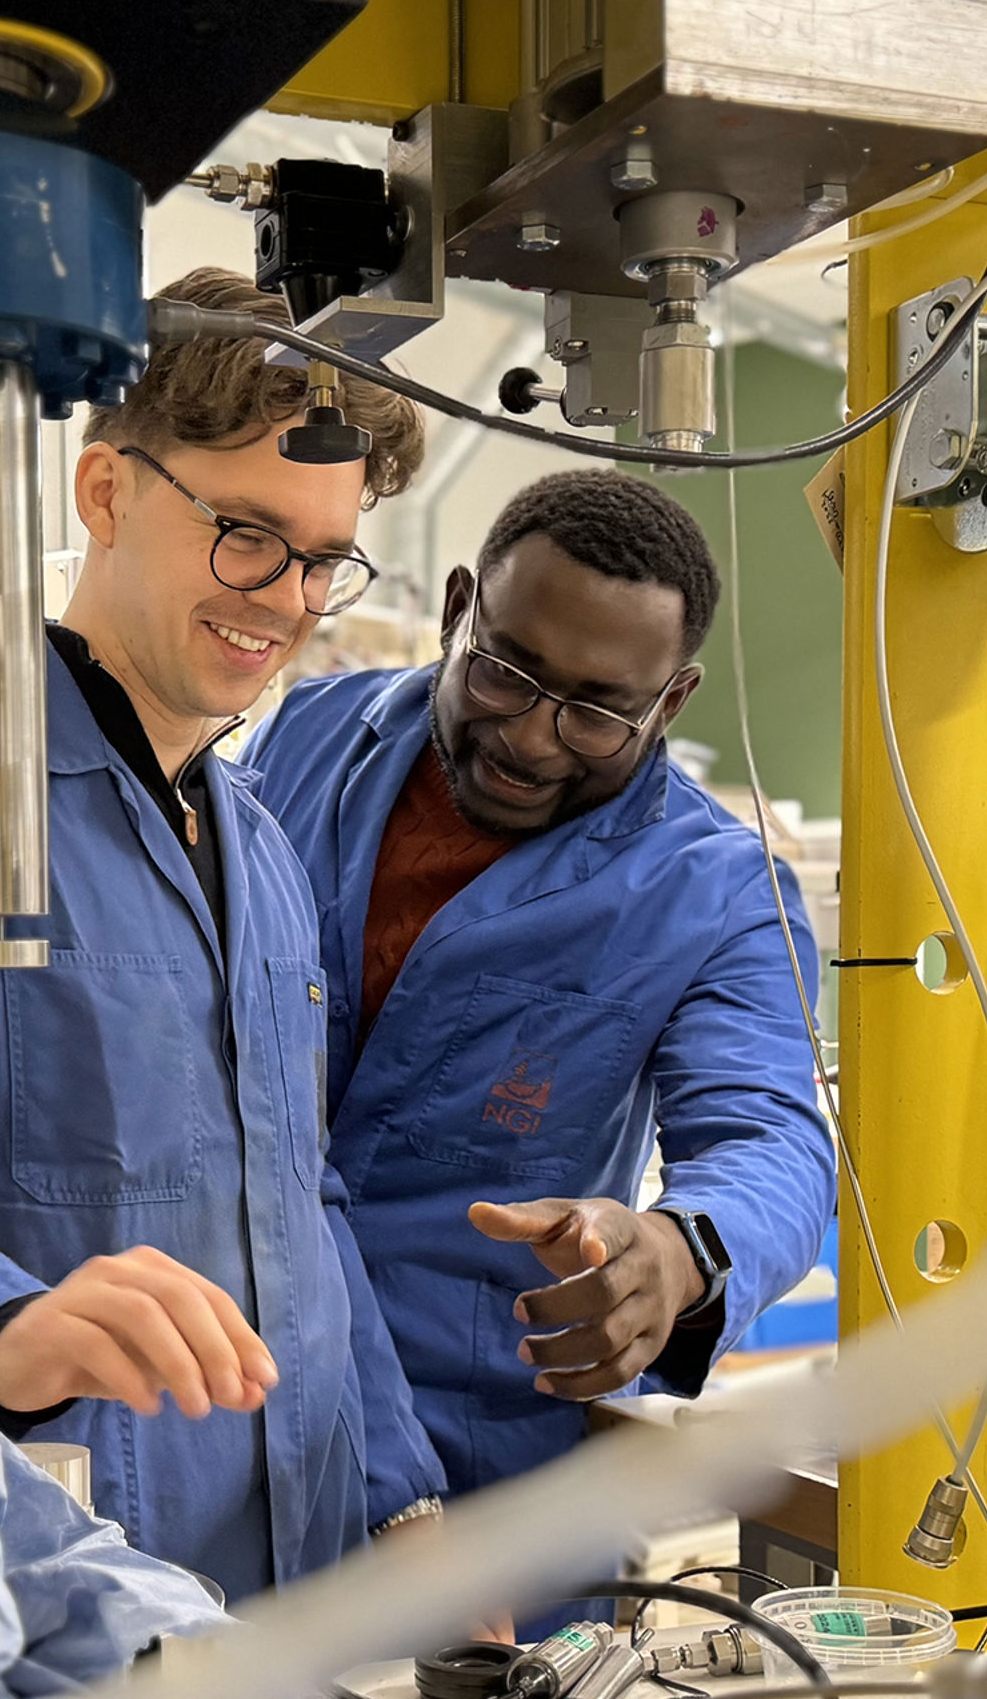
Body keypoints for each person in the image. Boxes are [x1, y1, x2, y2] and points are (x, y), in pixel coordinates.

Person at [0, 270, 444, 1606]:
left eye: (323, 559)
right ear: (105, 493)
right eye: (245, 532)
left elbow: (304, 1204)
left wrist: (405, 1500)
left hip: (303, 1596)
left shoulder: (262, 850)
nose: (283, 596)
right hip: (57, 1589)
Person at [246, 470, 838, 1500]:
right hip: (219, 1401)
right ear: (454, 610)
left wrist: (678, 1250)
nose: (527, 738)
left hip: (470, 1465)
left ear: (671, 702)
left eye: (596, 714)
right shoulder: (310, 735)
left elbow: (770, 1137)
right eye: (503, 674)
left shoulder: (720, 894)